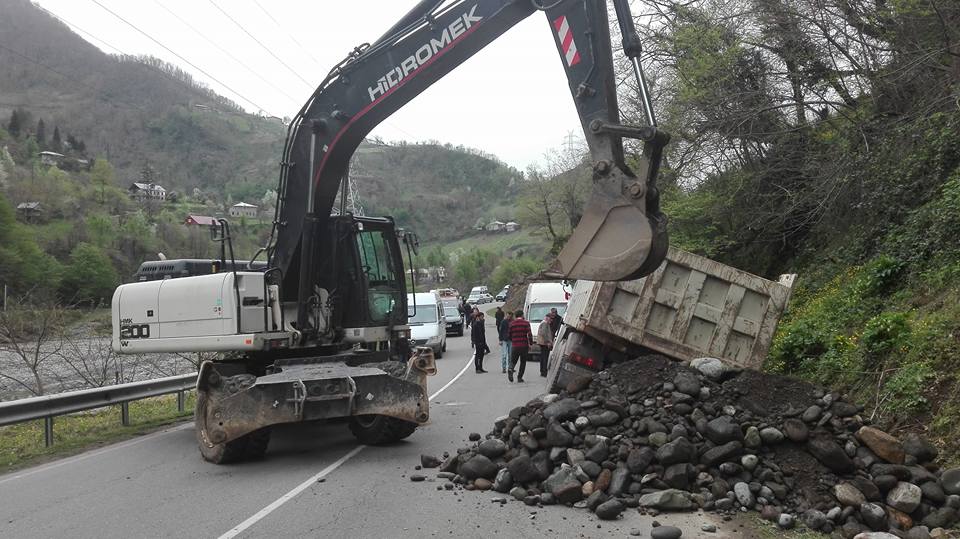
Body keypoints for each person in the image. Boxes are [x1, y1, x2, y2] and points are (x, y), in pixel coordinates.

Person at [507, 310, 532, 383]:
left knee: (513, 360)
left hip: (515, 345)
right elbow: (529, 334)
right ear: (522, 315)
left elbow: (509, 335)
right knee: (523, 362)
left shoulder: (512, 324)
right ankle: (519, 377)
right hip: (524, 345)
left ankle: (511, 368)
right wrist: (530, 343)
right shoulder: (526, 323)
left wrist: (513, 340)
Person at [536, 312, 555, 377]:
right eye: (551, 318)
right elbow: (544, 333)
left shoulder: (544, 323)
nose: (551, 320)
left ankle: (542, 371)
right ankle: (544, 372)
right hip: (544, 343)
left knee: (542, 357)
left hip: (543, 342)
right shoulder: (545, 323)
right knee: (545, 358)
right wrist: (548, 342)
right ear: (547, 317)